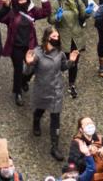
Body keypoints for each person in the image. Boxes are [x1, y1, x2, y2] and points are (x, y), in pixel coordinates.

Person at [25, 28, 76, 160]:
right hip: (42, 89)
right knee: (40, 109)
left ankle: (54, 146)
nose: (57, 38)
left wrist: (71, 61)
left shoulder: (60, 53)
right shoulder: (37, 53)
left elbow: (63, 67)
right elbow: (26, 72)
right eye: (54, 35)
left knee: (55, 117)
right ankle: (36, 121)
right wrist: (28, 63)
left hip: (56, 90)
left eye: (57, 35)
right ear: (47, 37)